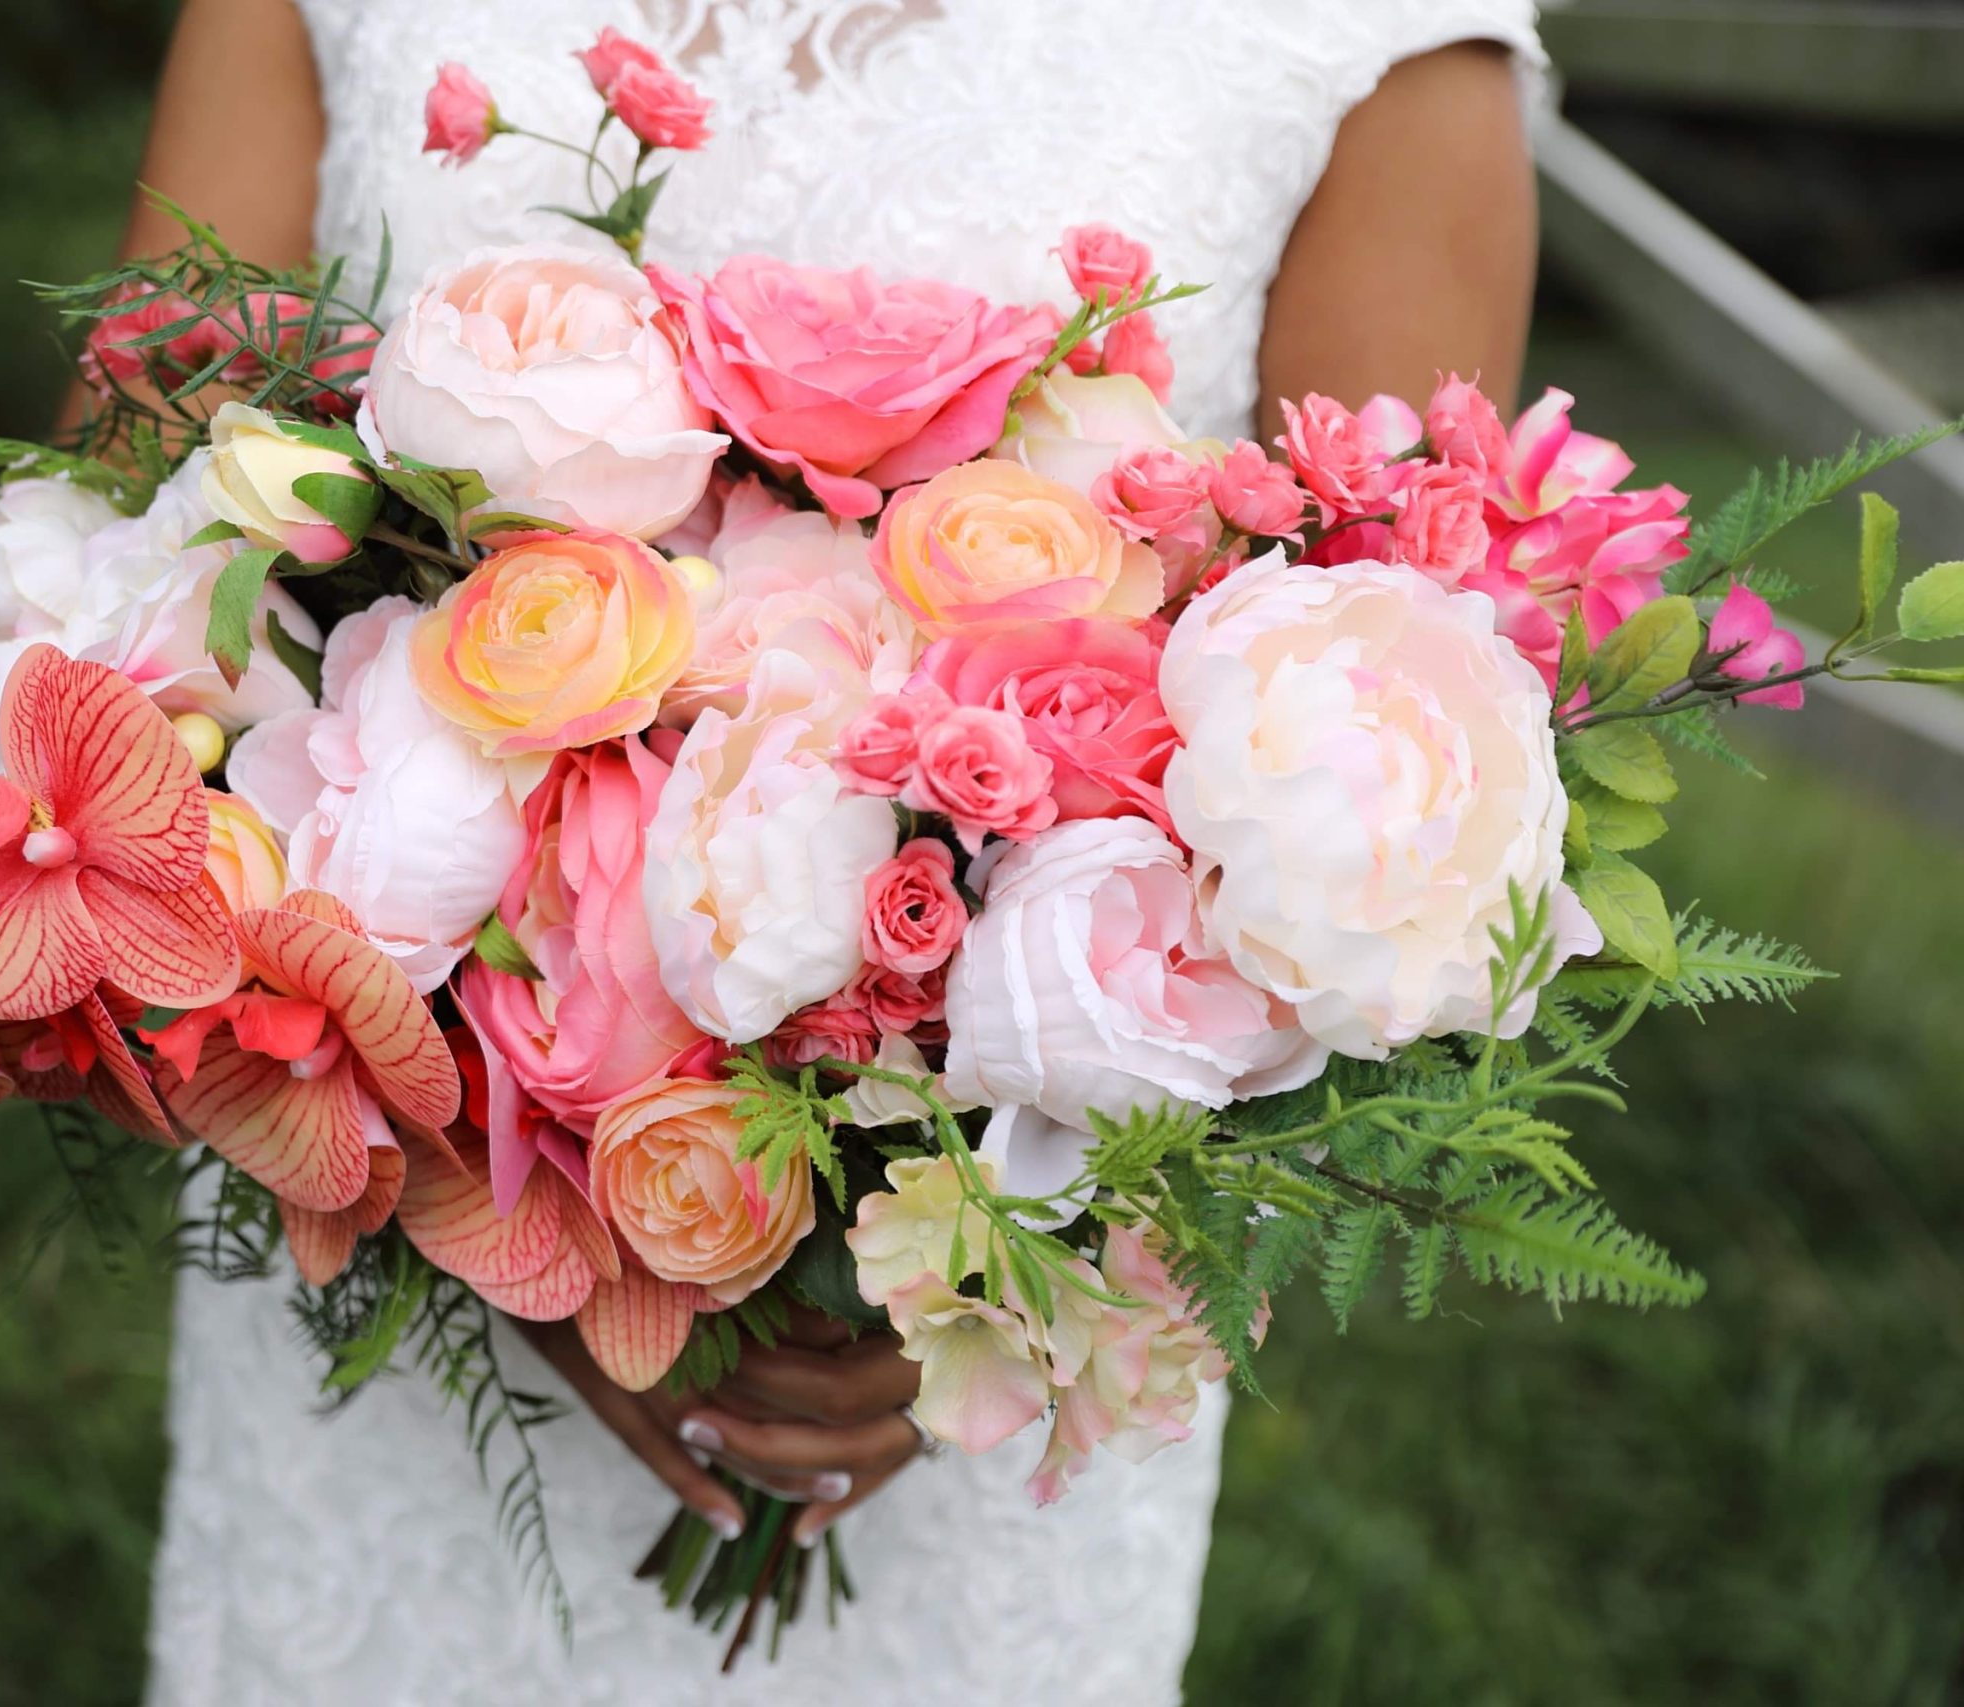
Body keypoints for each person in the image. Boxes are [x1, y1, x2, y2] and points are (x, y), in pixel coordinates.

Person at [133, 4, 1543, 1701]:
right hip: (382, 1233)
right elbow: (147, 563)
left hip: (953, 1351)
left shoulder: (1381, 39)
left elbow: (1402, 764)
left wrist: (1003, 1263)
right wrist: (489, 1187)